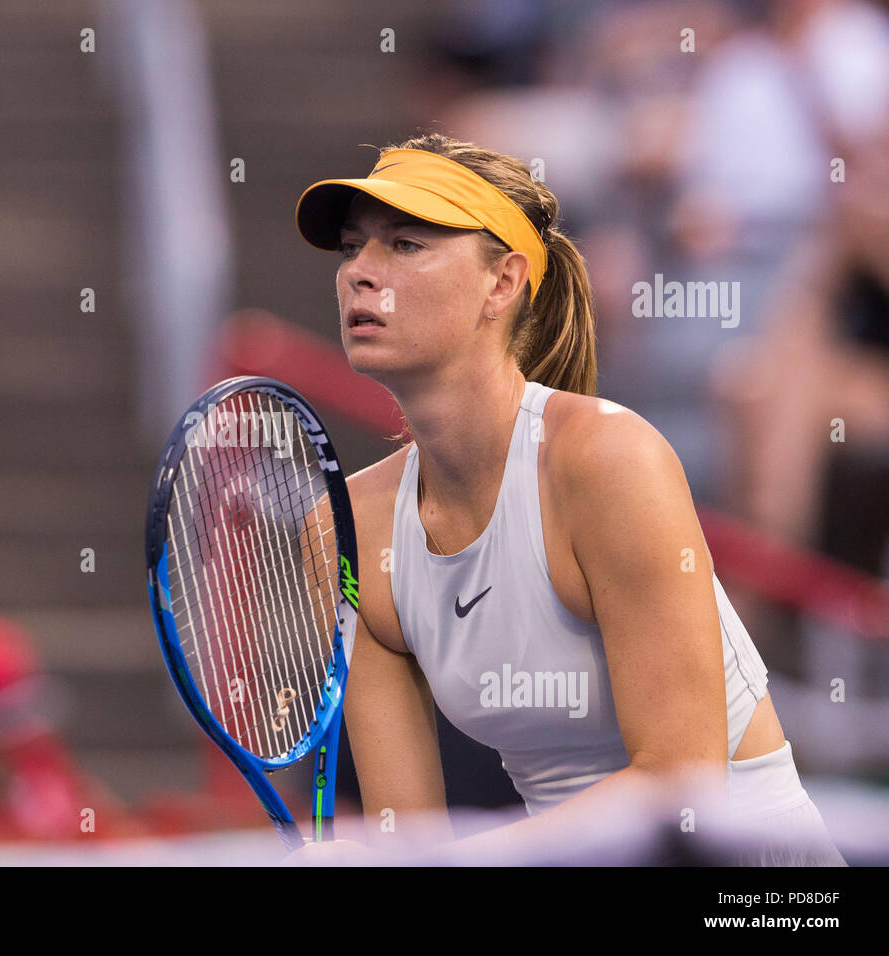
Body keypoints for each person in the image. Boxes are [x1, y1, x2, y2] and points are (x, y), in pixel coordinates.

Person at [290, 132, 845, 865]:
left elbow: (683, 792)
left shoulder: (610, 459)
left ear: (503, 281)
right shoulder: (345, 532)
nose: (362, 272)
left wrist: (461, 859)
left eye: (405, 245)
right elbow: (408, 841)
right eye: (353, 248)